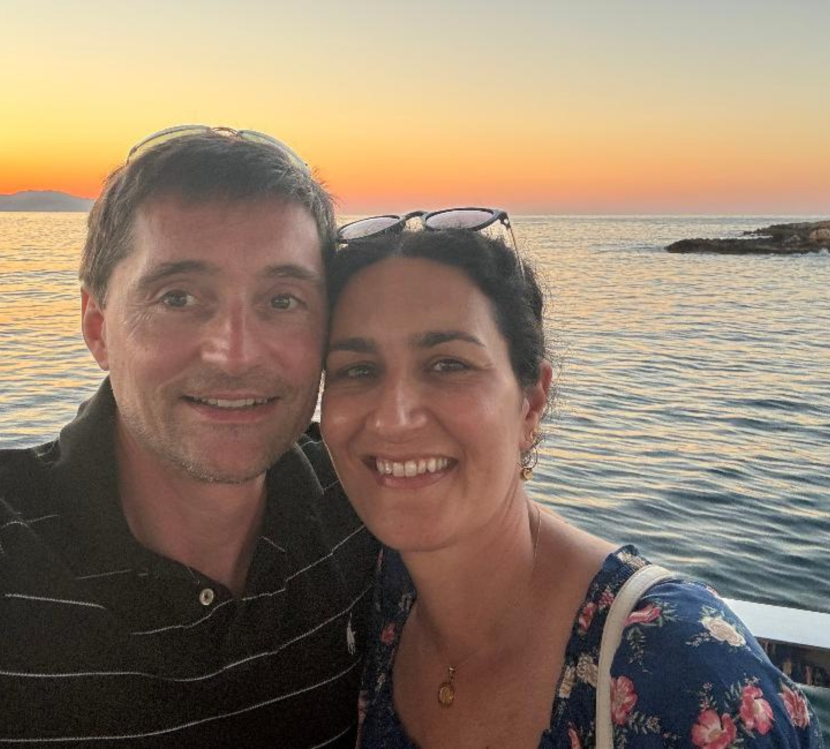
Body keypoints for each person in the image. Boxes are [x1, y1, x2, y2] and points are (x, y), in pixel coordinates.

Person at [0, 127, 378, 746]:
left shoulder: (361, 506)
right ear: (97, 328)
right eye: (178, 297)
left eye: (282, 300)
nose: (235, 352)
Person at [319, 211, 823, 748]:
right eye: (358, 370)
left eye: (448, 364)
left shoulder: (685, 673)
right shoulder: (375, 593)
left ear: (531, 402)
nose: (394, 417)